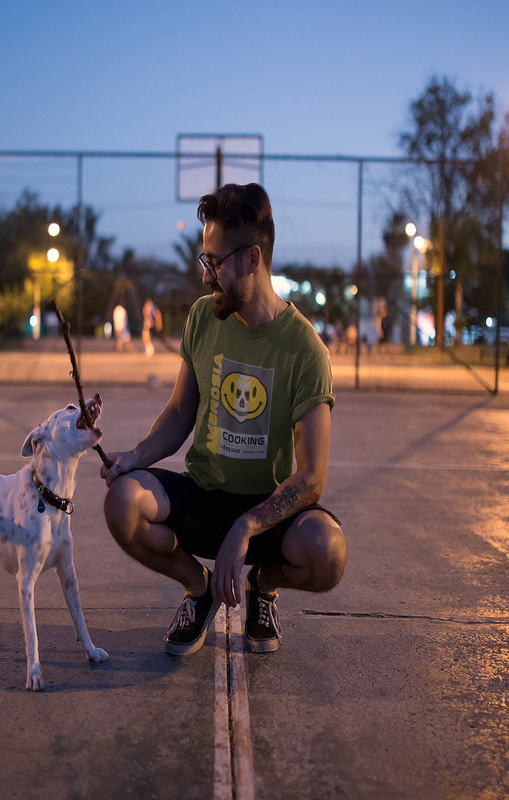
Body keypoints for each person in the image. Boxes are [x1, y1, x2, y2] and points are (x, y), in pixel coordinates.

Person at [101, 183, 347, 656]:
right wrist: (132, 457)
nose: (206, 275)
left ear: (252, 259)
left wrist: (248, 526)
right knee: (122, 503)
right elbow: (178, 415)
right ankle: (201, 589)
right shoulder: (202, 319)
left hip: (267, 509)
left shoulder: (305, 350)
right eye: (205, 260)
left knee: (328, 551)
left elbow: (312, 479)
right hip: (205, 496)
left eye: (214, 262)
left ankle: (264, 588)